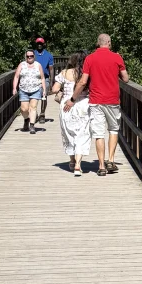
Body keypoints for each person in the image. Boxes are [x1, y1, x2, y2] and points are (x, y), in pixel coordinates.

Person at [64, 32, 128, 177]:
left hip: (96, 101)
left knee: (99, 134)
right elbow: (126, 79)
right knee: (113, 130)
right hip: (112, 100)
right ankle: (110, 160)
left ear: (97, 43)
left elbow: (83, 82)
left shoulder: (90, 58)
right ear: (109, 43)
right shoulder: (117, 57)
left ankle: (101, 166)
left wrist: (72, 99)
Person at [51, 52, 90, 174]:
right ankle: (78, 165)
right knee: (82, 134)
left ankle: (72, 160)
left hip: (67, 104)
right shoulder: (86, 74)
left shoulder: (64, 73)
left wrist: (63, 89)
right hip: (83, 104)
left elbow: (54, 89)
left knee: (68, 133)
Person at [12, 48, 46, 133]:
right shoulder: (22, 65)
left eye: (31, 56)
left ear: (34, 56)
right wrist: (14, 88)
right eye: (28, 56)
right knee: (24, 109)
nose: (29, 57)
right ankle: (26, 119)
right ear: (25, 57)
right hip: (23, 90)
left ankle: (32, 126)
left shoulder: (38, 65)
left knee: (33, 107)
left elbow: (42, 78)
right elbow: (16, 77)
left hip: (36, 89)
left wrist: (44, 89)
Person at [33, 37, 55, 122]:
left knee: (44, 96)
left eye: (41, 44)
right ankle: (34, 113)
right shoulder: (33, 54)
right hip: (34, 78)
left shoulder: (48, 55)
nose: (39, 45)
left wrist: (51, 81)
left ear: (43, 44)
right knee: (33, 96)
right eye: (38, 43)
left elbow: (51, 69)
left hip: (44, 78)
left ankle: (42, 114)